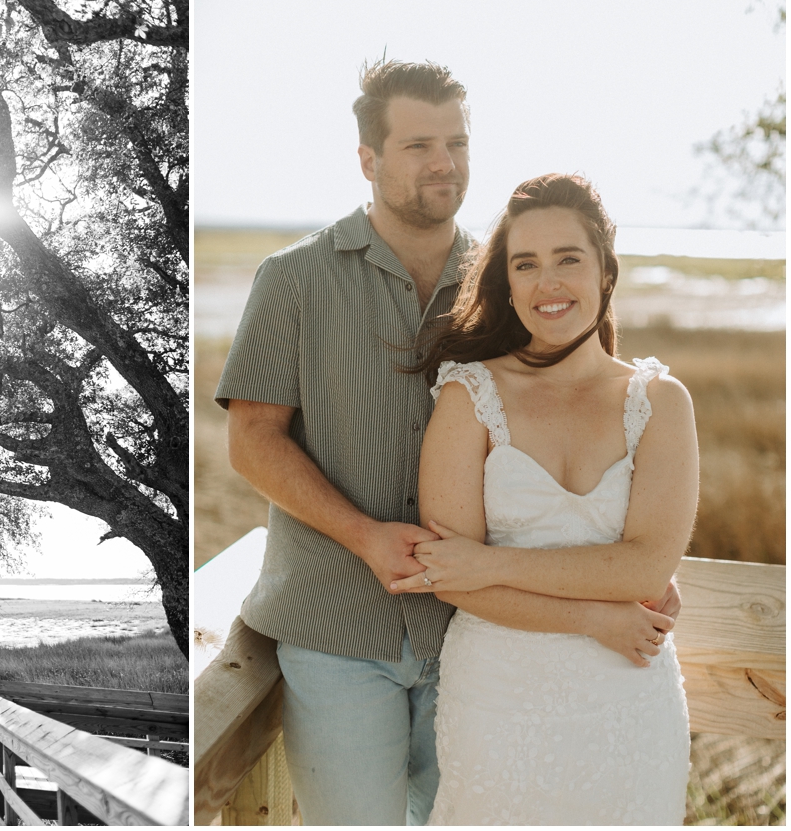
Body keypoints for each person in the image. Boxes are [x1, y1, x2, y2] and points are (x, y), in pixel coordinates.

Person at [216, 60, 682, 826]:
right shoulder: (292, 278)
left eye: (458, 143)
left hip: (474, 634)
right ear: (367, 160)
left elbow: (586, 383)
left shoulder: (503, 277)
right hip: (336, 625)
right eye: (419, 144)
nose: (444, 163)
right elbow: (251, 442)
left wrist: (629, 566)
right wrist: (364, 535)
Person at [400, 173, 694, 824]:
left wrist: (493, 562)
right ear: (507, 282)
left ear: (605, 271)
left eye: (568, 259)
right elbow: (453, 580)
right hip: (498, 702)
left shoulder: (660, 402)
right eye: (525, 264)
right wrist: (596, 617)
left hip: (630, 703)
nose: (547, 283)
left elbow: (645, 567)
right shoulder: (468, 395)